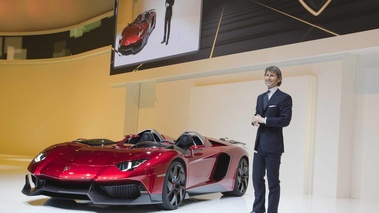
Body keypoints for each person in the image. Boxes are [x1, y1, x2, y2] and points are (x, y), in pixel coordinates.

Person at [251, 66, 292, 213]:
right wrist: (255, 120)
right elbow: (258, 116)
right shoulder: (260, 97)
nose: (268, 78)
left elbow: (285, 120)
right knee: (257, 180)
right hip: (259, 146)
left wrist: (264, 120)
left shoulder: (284, 98)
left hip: (273, 147)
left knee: (273, 182)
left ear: (279, 79)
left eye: (272, 76)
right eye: (266, 75)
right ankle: (258, 210)